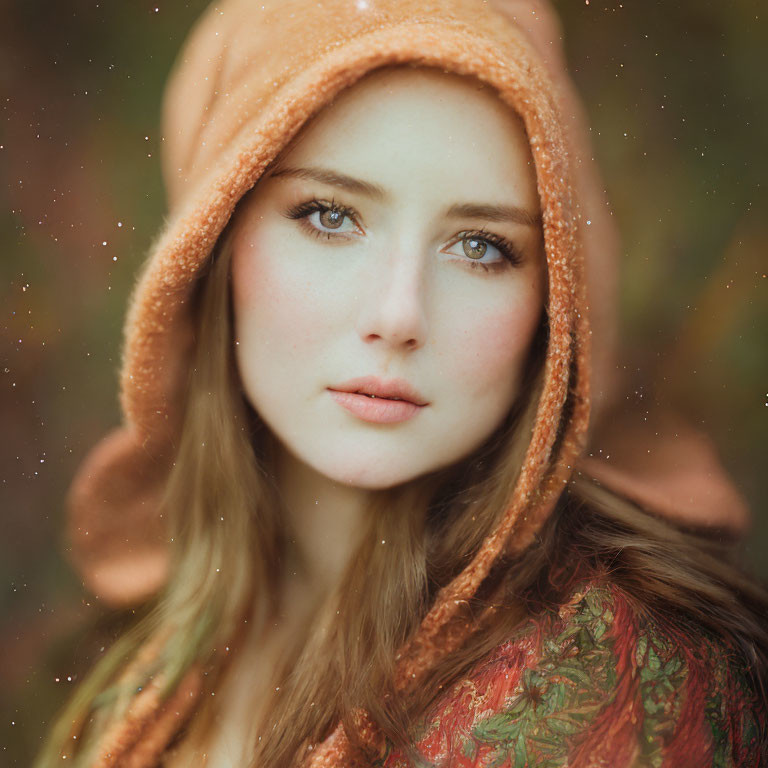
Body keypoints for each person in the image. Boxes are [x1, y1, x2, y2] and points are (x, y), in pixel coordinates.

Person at [36, 0, 767, 766]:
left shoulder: (618, 687)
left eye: (482, 247)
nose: (398, 313)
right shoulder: (138, 642)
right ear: (212, 241)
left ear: (556, 304)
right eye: (328, 215)